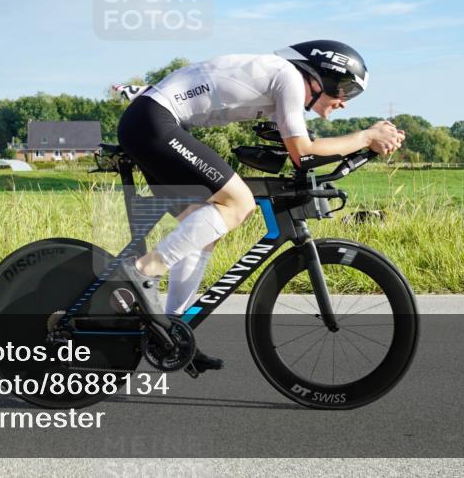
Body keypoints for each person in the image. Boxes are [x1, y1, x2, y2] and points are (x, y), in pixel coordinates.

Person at [115, 40, 405, 373]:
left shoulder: (279, 81)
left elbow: (299, 148)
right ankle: (142, 271)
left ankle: (169, 331)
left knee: (203, 226)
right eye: (343, 89)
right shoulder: (289, 78)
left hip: (151, 122)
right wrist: (366, 137)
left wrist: (363, 145)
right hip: (154, 121)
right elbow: (303, 153)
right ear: (317, 76)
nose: (344, 101)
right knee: (239, 203)